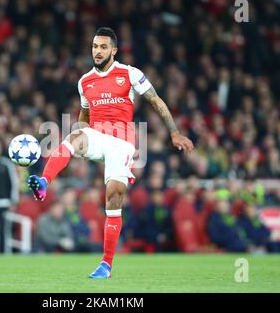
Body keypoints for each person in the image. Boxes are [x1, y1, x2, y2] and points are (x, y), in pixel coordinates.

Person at [27, 27, 194, 278]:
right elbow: (84, 114)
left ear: (113, 50)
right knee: (73, 135)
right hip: (97, 134)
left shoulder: (129, 73)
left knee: (114, 197)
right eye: (95, 46)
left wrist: (174, 132)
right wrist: (81, 140)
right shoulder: (85, 81)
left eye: (103, 47)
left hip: (122, 141)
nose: (97, 51)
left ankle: (106, 265)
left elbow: (156, 100)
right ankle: (43, 182)